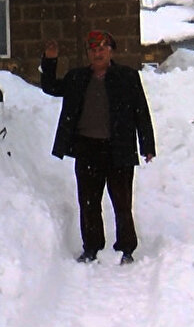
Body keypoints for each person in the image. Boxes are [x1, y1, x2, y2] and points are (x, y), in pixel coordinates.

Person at [41, 30, 155, 265]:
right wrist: (50, 60)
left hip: (119, 149)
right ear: (88, 54)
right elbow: (51, 87)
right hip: (87, 149)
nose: (98, 53)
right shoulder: (77, 78)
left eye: (102, 48)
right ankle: (91, 247)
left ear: (111, 51)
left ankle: (126, 248)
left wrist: (147, 145)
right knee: (89, 202)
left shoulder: (127, 77)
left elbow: (141, 112)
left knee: (122, 202)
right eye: (93, 49)